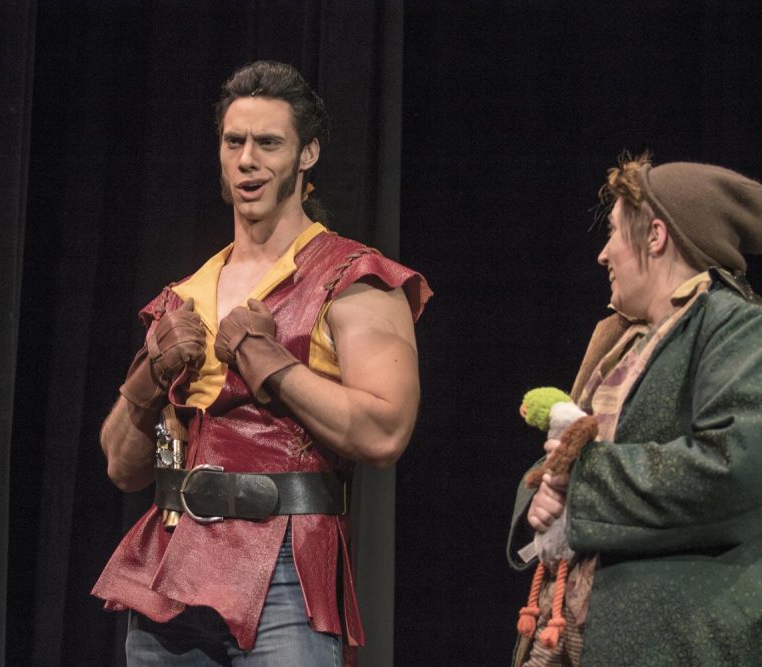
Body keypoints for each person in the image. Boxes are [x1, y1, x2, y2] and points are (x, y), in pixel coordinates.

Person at [91, 60, 430, 665]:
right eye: (234, 142)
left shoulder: (352, 280)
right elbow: (123, 466)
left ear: (307, 155)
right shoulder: (187, 293)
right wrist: (147, 378)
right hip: (169, 571)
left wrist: (271, 364)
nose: (248, 159)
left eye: (269, 143)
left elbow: (385, 431)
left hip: (283, 576)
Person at [507, 153, 762, 666]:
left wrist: (579, 486)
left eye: (616, 233)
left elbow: (733, 466)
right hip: (565, 625)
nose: (603, 255)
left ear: (656, 237)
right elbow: (575, 448)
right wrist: (538, 499)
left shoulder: (735, 328)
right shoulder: (622, 341)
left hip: (670, 634)